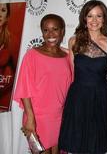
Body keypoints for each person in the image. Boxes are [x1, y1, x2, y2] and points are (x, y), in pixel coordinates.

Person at [58, 0, 107, 154]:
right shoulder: (74, 41)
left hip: (100, 98)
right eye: (90, 16)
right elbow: (73, 72)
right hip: (78, 98)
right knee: (77, 144)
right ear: (84, 19)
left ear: (104, 19)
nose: (94, 21)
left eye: (98, 16)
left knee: (96, 144)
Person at [14, 14, 72, 154]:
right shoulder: (32, 55)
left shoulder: (67, 57)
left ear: (62, 31)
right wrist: (30, 118)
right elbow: (24, 89)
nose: (50, 34)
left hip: (60, 116)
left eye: (55, 29)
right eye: (46, 30)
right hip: (37, 117)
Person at [0, 3, 14, 112]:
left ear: (7, 16)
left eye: (3, 10)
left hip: (4, 98)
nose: (0, 14)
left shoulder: (13, 42)